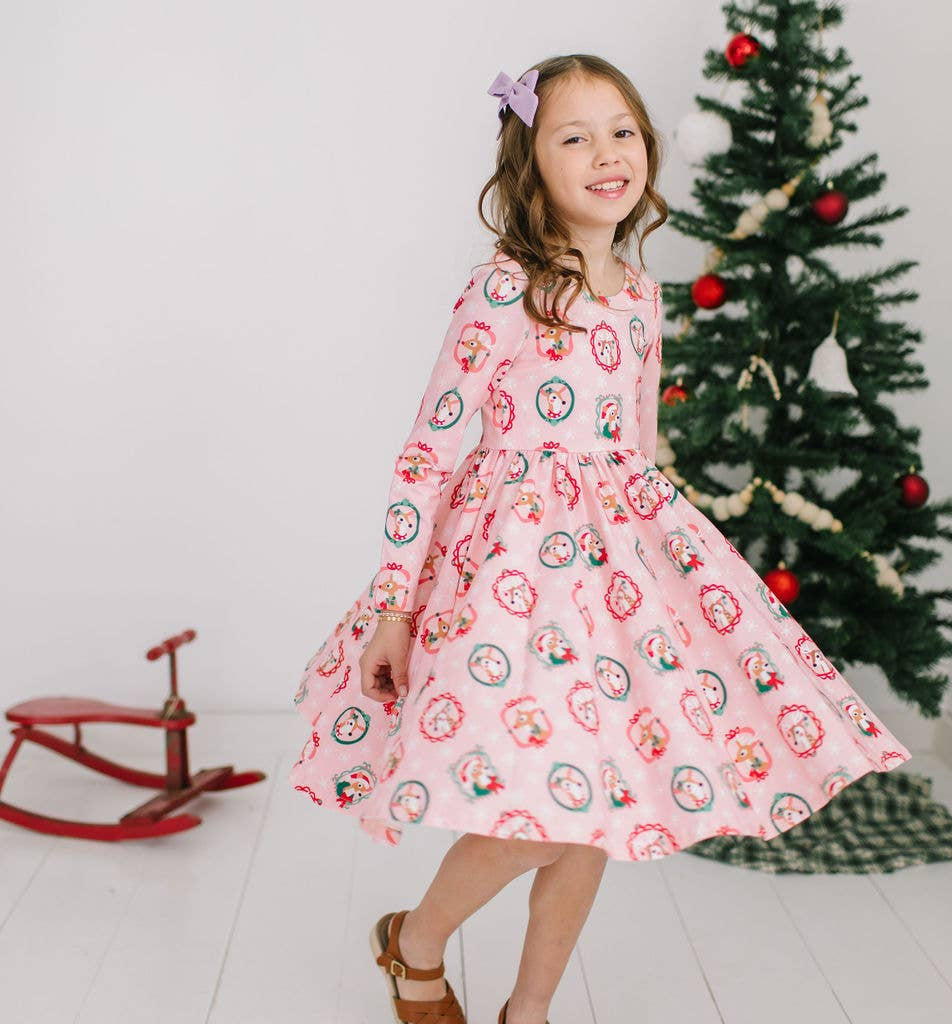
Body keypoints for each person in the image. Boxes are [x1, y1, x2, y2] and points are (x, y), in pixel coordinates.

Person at [288, 54, 912, 1024]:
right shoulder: (505, 291)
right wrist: (392, 607)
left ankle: (526, 1010)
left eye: (620, 129)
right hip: (508, 586)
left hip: (611, 584)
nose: (604, 153)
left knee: (591, 816)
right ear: (531, 164)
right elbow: (428, 455)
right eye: (572, 136)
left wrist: (664, 577)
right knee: (539, 816)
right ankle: (413, 939)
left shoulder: (639, 293)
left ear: (647, 150)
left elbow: (634, 450)